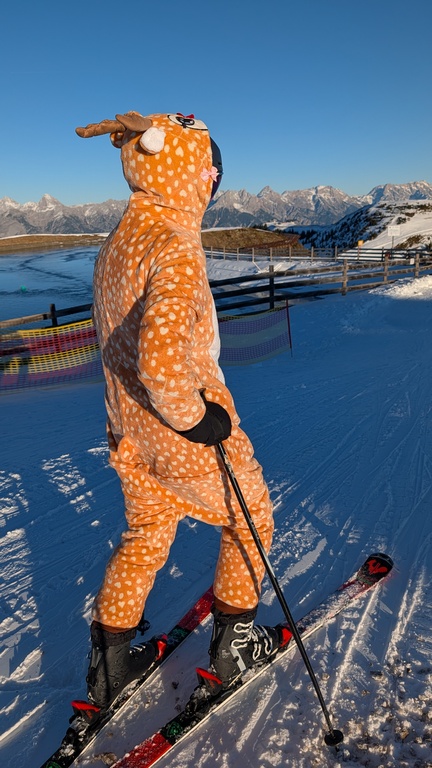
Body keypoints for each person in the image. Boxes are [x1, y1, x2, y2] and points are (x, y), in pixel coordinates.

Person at [75, 111, 286, 710]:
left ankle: (111, 665)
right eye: (212, 173)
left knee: (146, 531)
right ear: (194, 172)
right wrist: (196, 418)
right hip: (181, 432)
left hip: (129, 430)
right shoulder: (173, 244)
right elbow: (162, 363)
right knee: (251, 516)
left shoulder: (119, 241)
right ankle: (234, 645)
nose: (213, 186)